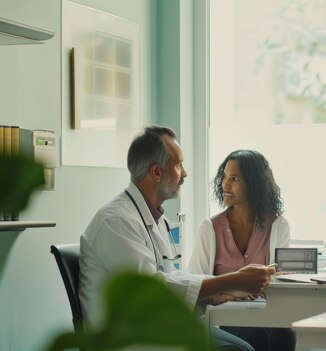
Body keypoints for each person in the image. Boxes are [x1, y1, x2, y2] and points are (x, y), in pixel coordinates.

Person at [79, 126, 275, 351]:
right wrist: (235, 280)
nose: (185, 173)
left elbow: (171, 276)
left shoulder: (154, 218)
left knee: (248, 345)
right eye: (179, 165)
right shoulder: (116, 222)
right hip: (132, 340)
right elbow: (150, 292)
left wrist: (212, 295)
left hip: (158, 328)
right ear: (156, 172)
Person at [189, 149, 295, 351]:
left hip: (266, 315)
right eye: (225, 177)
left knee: (284, 332)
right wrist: (223, 294)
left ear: (255, 184)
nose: (225, 185)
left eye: (234, 178)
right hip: (223, 319)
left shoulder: (279, 226)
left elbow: (280, 282)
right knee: (257, 336)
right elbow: (195, 286)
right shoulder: (209, 228)